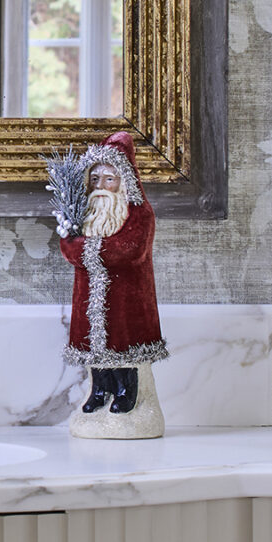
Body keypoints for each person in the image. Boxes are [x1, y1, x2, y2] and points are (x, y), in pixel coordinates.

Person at [53, 129, 167, 414]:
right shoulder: (83, 213)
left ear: (123, 181)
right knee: (94, 348)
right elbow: (68, 247)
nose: (100, 186)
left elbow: (130, 249)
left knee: (123, 344)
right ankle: (99, 388)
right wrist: (90, 248)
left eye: (109, 179)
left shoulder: (139, 214)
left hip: (125, 296)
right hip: (88, 296)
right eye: (95, 179)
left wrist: (88, 249)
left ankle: (126, 390)